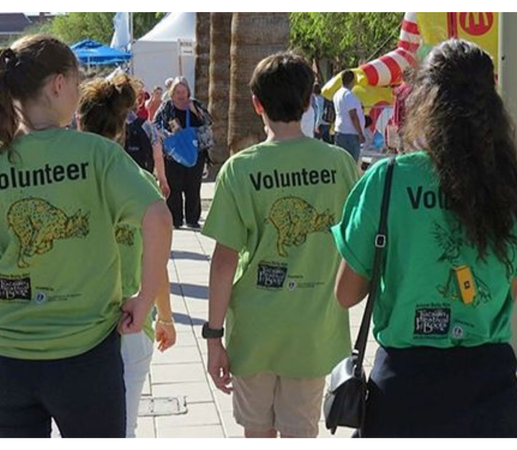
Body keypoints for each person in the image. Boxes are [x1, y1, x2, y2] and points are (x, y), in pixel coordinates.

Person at [0, 34, 173, 438]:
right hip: (85, 361)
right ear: (58, 84)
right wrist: (145, 300)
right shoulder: (98, 155)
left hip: (6, 370)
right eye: (76, 85)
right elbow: (159, 219)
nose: (78, 95)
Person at [332, 39, 517, 437]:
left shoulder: (388, 179)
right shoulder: (510, 190)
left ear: (425, 100)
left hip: (403, 390)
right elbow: (506, 296)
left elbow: (346, 294)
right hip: (490, 392)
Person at [202, 52, 358, 438]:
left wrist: (213, 337)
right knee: (300, 432)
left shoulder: (240, 169)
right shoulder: (340, 164)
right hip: (313, 329)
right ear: (309, 102)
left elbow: (224, 261)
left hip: (253, 329)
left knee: (256, 432)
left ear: (257, 104)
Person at [76, 72, 176, 438]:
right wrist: (164, 315)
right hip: (133, 320)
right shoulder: (142, 183)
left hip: (79, 322)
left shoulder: (67, 183)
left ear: (78, 122)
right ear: (122, 128)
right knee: (124, 428)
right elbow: (158, 261)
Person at [154, 78, 212, 229]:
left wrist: (194, 111)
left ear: (188, 92)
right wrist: (165, 134)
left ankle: (192, 219)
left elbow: (208, 121)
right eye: (177, 92)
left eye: (183, 92)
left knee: (193, 186)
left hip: (195, 152)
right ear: (172, 93)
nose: (180, 95)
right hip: (173, 154)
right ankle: (175, 219)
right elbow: (156, 124)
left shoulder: (195, 104)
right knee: (174, 186)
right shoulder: (167, 107)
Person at [332, 70, 365, 161]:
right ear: (353, 80)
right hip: (350, 133)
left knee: (341, 161)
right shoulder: (348, 95)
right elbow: (353, 116)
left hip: (340, 130)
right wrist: (360, 133)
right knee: (352, 162)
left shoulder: (337, 94)